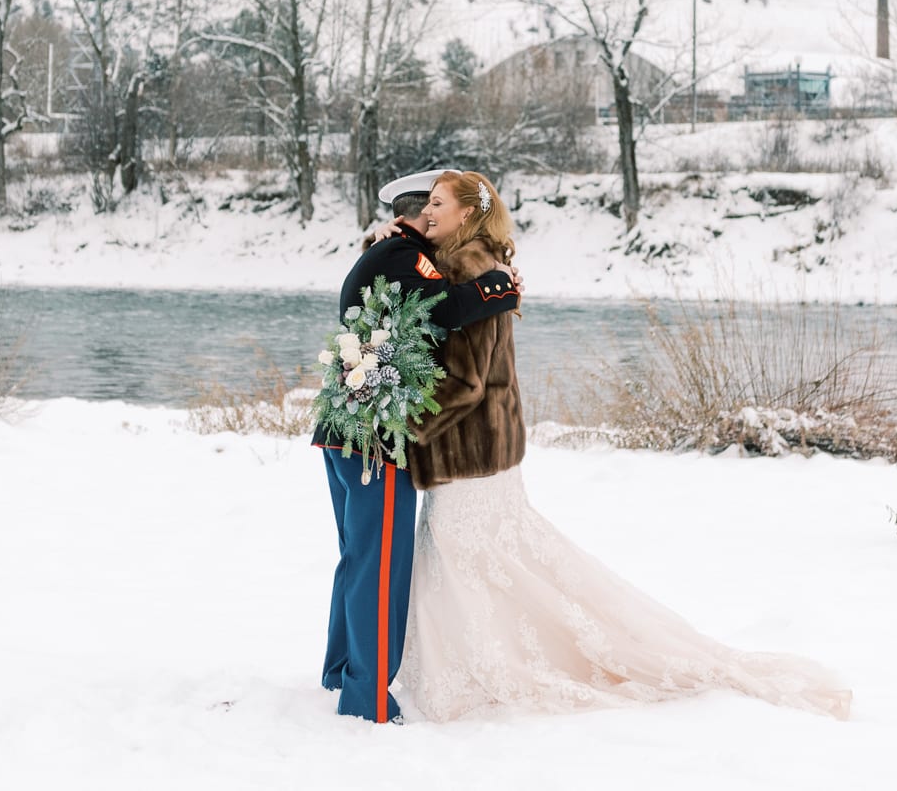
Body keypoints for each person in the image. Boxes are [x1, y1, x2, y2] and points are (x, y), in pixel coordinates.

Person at [394, 170, 853, 723]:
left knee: (471, 559)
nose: (427, 212)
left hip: (468, 451)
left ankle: (486, 670)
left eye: (438, 204)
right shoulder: (480, 264)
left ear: (466, 213)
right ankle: (483, 662)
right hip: (485, 452)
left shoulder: (468, 267)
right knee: (491, 563)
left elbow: (464, 381)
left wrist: (401, 425)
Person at [315, 169, 522, 725]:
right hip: (375, 438)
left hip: (348, 431)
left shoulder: (389, 253)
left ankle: (340, 671)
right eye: (428, 210)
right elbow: (447, 308)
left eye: (439, 208)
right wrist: (500, 286)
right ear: (416, 217)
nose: (434, 220)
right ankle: (368, 700)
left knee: (359, 561)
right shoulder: (405, 257)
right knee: (380, 567)